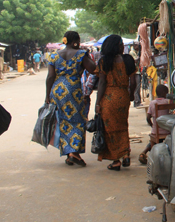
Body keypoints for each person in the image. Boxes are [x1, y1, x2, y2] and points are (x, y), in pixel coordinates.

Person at [45, 31, 96, 166]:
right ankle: (74, 153)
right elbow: (93, 69)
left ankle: (68, 154)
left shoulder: (54, 55)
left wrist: (47, 96)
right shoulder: (80, 54)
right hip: (73, 90)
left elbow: (50, 77)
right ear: (76, 41)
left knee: (63, 122)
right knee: (77, 120)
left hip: (58, 91)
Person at [94, 35, 137, 171]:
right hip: (123, 96)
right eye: (121, 44)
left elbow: (101, 83)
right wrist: (130, 95)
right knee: (123, 125)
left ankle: (116, 160)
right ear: (117, 46)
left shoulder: (103, 61)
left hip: (108, 97)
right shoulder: (128, 60)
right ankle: (126, 154)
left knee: (110, 128)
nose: (122, 46)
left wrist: (98, 102)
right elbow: (133, 82)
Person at [138, 84, 172, 164]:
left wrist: (153, 126)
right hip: (167, 131)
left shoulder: (152, 103)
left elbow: (148, 118)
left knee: (154, 139)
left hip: (156, 131)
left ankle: (144, 153)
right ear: (164, 93)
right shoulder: (167, 102)